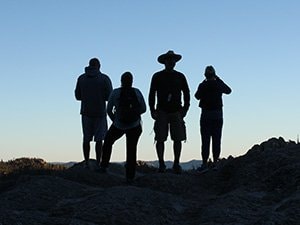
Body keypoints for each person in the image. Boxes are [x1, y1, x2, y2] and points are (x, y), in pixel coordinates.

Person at [148, 50, 190, 174]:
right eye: (169, 59)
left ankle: (176, 163)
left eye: (173, 59)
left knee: (177, 138)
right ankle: (162, 164)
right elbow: (152, 93)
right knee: (160, 138)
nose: (171, 61)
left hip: (176, 111)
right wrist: (152, 110)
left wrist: (185, 109)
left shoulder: (180, 76)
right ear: (165, 61)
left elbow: (187, 93)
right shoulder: (157, 76)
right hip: (162, 111)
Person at [101, 72, 146, 183]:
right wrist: (135, 115)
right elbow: (144, 108)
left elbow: (109, 110)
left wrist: (115, 120)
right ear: (132, 81)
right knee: (131, 150)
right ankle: (130, 177)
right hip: (134, 125)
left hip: (118, 124)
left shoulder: (115, 92)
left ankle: (104, 166)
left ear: (121, 80)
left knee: (108, 141)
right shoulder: (137, 92)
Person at [75, 58, 113, 168]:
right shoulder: (104, 78)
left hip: (86, 111)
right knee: (99, 139)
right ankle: (98, 162)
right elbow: (110, 96)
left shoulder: (81, 78)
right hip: (100, 112)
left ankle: (86, 162)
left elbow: (77, 96)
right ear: (99, 66)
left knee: (86, 138)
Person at [194, 65, 232, 171]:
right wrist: (218, 79)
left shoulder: (202, 85)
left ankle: (205, 163)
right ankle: (215, 162)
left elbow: (196, 96)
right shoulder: (218, 84)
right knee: (217, 139)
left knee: (205, 140)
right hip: (217, 115)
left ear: (205, 75)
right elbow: (228, 90)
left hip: (206, 115)